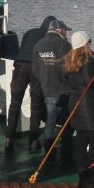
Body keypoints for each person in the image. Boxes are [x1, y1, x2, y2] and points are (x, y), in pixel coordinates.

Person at [5, 15, 53, 152]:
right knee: (36, 105)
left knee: (15, 103)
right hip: (36, 68)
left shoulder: (29, 32)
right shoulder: (48, 37)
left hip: (20, 66)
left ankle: (9, 139)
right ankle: (33, 141)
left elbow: (22, 48)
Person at [32, 18, 73, 164]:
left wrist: (45, 80)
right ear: (60, 30)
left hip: (47, 89)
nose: (66, 33)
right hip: (64, 90)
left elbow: (35, 69)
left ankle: (49, 156)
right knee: (67, 124)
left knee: (50, 122)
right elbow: (71, 67)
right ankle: (66, 158)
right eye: (65, 30)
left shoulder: (39, 44)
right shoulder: (64, 44)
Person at [64, 31, 94, 170]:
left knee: (81, 137)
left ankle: (81, 169)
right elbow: (90, 81)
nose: (91, 43)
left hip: (75, 102)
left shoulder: (70, 58)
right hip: (88, 105)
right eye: (89, 40)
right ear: (85, 43)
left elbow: (67, 79)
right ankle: (92, 170)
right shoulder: (87, 59)